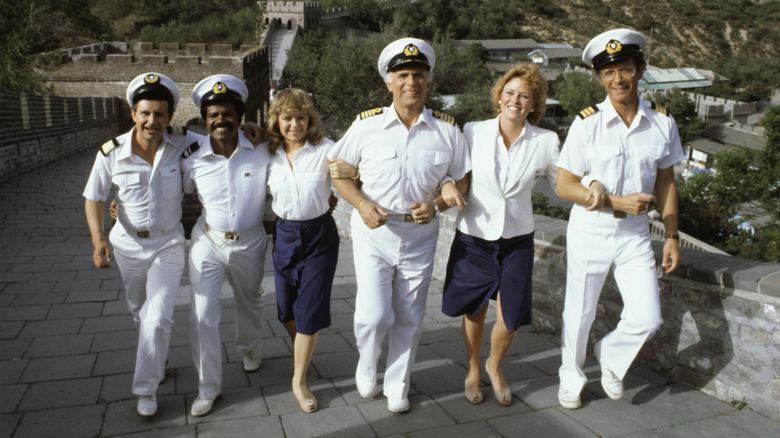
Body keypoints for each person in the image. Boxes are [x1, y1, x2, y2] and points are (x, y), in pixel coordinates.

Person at [329, 37, 470, 413]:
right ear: (389, 82)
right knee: (374, 314)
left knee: (409, 315)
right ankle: (366, 359)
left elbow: (461, 177)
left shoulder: (447, 130)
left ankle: (397, 384)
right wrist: (360, 204)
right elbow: (338, 173)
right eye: (403, 75)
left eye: (419, 75)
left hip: (422, 235)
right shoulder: (366, 126)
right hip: (376, 232)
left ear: (428, 81)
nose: (412, 82)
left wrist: (439, 202)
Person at [556, 29, 683, 409]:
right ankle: (571, 378)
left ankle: (610, 357)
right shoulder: (587, 122)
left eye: (625, 69)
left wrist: (673, 235)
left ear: (640, 70)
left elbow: (666, 181)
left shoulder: (662, 122)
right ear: (599, 77)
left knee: (648, 317)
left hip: (634, 235)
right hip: (591, 230)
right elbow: (565, 185)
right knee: (579, 313)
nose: (618, 80)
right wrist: (614, 201)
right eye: (608, 73)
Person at [441, 63, 559, 406]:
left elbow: (564, 182)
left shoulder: (547, 141)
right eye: (510, 93)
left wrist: (594, 186)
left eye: (525, 96)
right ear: (499, 97)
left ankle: (495, 364)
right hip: (474, 235)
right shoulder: (473, 131)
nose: (516, 101)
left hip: (517, 238)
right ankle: (475, 369)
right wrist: (447, 184)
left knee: (511, 318)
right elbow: (452, 171)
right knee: (474, 310)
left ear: (534, 103)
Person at [84, 72, 200, 417]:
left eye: (160, 114)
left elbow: (220, 140)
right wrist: (98, 240)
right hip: (128, 246)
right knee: (139, 310)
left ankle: (146, 390)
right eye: (145, 113)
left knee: (157, 314)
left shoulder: (182, 142)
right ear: (133, 113)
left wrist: (253, 132)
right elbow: (94, 197)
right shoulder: (111, 153)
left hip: (168, 244)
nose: (153, 121)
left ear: (169, 116)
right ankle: (155, 356)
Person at [182, 74, 270, 417]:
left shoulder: (262, 149)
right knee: (202, 313)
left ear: (240, 116)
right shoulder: (191, 156)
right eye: (213, 115)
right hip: (208, 241)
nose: (221, 120)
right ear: (204, 121)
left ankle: (249, 347)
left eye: (228, 114)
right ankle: (208, 387)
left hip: (250, 241)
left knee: (250, 300)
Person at [265, 88, 341, 413]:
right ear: (276, 121)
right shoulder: (266, 153)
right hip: (283, 234)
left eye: (300, 117)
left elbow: (355, 174)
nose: (294, 124)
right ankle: (303, 345)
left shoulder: (327, 149)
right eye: (287, 118)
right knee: (286, 309)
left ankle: (299, 379)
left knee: (309, 309)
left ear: (309, 120)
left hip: (319, 235)